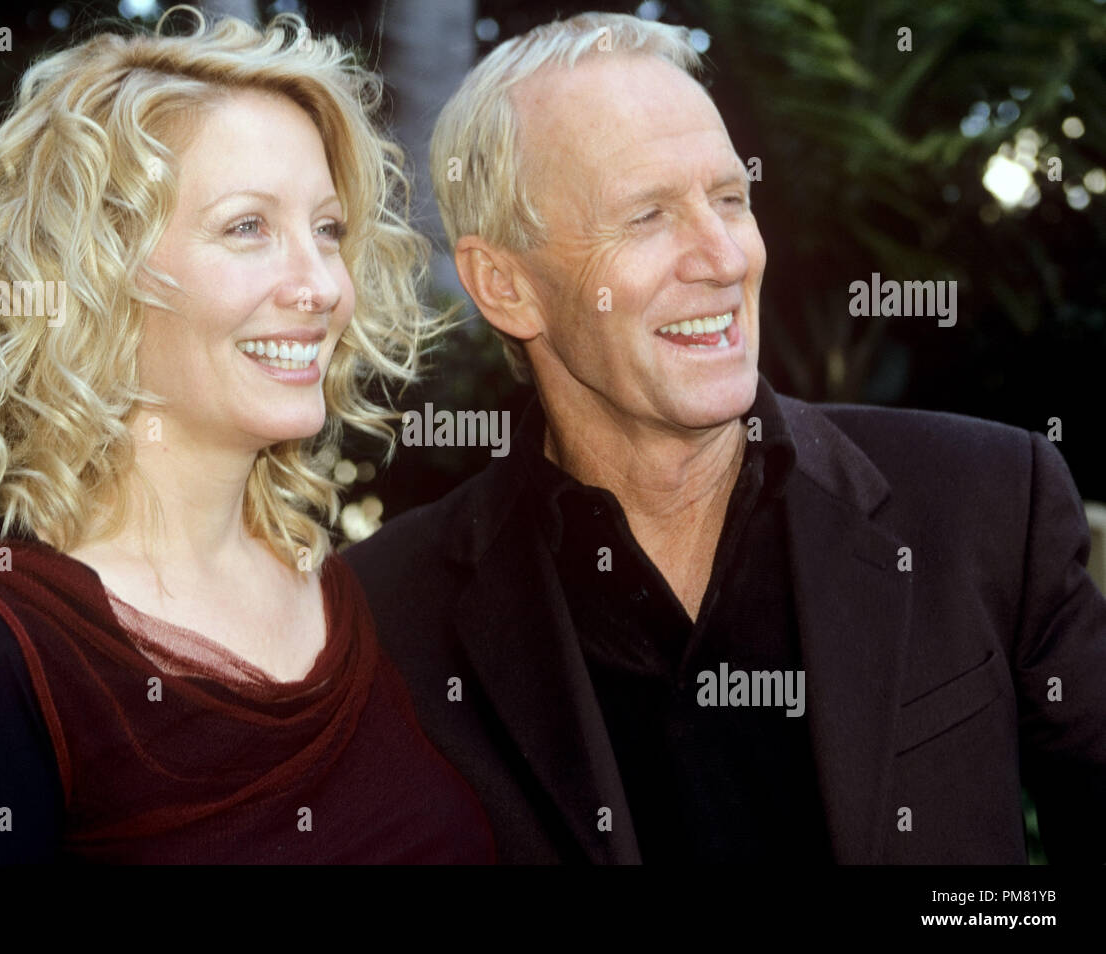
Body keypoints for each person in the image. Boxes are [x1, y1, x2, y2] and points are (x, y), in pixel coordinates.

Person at [344, 12, 1106, 864]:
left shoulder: (986, 504)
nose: (723, 257)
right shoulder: (383, 620)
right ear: (505, 284)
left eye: (730, 200)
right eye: (647, 215)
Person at [0, 8, 495, 864]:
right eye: (248, 227)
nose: (320, 286)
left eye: (328, 229)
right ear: (98, 274)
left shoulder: (350, 595)